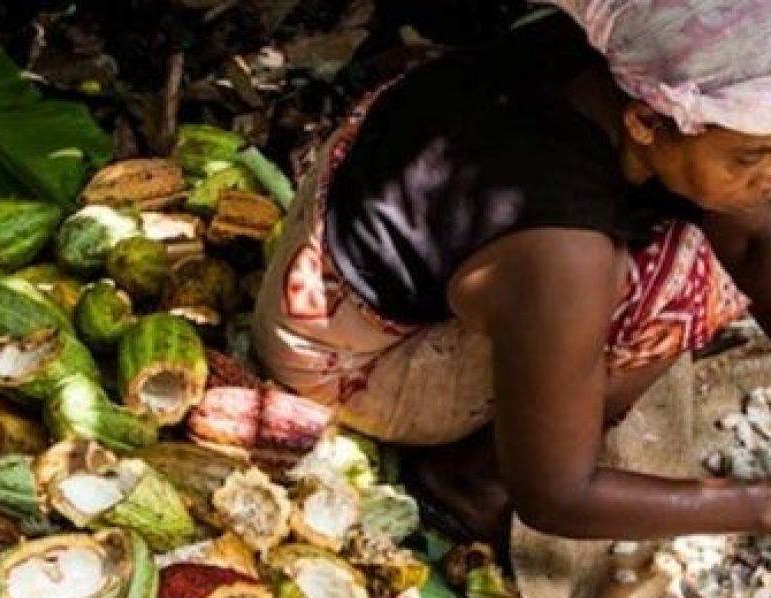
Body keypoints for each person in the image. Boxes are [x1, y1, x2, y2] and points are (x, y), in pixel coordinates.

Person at [252, 0, 771, 548]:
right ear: (644, 121)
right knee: (692, 278)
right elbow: (559, 497)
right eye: (751, 156)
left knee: (735, 212)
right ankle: (472, 481)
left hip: (344, 232)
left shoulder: (609, 56)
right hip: (346, 361)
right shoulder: (564, 254)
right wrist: (758, 506)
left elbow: (758, 236)